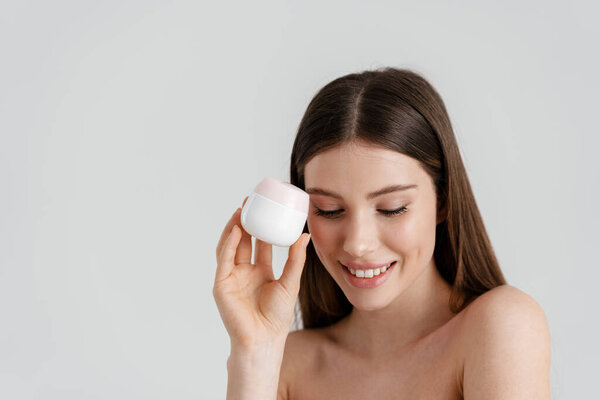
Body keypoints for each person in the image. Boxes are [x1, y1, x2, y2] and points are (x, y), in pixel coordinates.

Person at [213, 67, 551, 399]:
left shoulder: (500, 326)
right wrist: (254, 352)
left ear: (443, 201)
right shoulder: (285, 364)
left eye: (392, 208)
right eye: (329, 210)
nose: (358, 244)